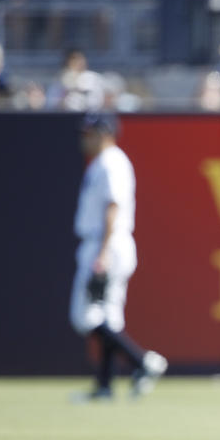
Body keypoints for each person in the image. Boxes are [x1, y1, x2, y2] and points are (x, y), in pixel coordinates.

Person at [71, 112, 167, 401]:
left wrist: (101, 254)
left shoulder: (111, 162)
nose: (84, 138)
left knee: (85, 316)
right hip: (107, 243)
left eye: (89, 133)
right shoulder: (103, 162)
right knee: (108, 320)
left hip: (105, 244)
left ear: (103, 132)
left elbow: (113, 207)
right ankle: (104, 386)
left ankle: (142, 362)